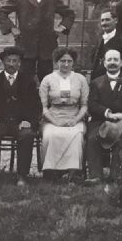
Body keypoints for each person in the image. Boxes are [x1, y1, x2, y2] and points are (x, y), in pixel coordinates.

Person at [0, 46, 39, 187]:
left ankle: (22, 176)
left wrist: (28, 121)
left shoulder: (28, 81)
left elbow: (35, 106)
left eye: (15, 61)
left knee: (27, 135)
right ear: (3, 62)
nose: (11, 64)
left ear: (19, 63)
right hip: (0, 122)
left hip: (19, 123)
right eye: (8, 61)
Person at [12, 0, 74, 79]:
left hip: (47, 47)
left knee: (47, 79)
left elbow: (69, 14)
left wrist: (61, 27)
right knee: (25, 79)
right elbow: (0, 13)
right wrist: (12, 28)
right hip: (26, 46)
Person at [85, 47, 122, 187]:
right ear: (104, 63)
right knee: (92, 139)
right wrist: (107, 113)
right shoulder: (96, 82)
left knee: (121, 140)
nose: (112, 62)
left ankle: (116, 176)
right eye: (109, 60)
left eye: (115, 60)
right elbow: (92, 104)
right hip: (101, 120)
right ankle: (96, 175)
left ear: (121, 63)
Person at [38, 47, 88, 182]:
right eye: (62, 61)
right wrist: (54, 121)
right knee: (50, 134)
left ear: (73, 62)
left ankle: (73, 173)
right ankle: (51, 172)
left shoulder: (80, 79)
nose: (66, 64)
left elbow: (84, 106)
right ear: (56, 62)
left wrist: (75, 120)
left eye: (69, 61)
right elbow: (44, 108)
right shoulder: (48, 79)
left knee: (76, 135)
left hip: (74, 117)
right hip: (52, 117)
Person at [88, 10, 122, 75]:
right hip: (96, 78)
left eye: (107, 20)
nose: (104, 23)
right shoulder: (99, 39)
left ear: (116, 20)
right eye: (102, 20)